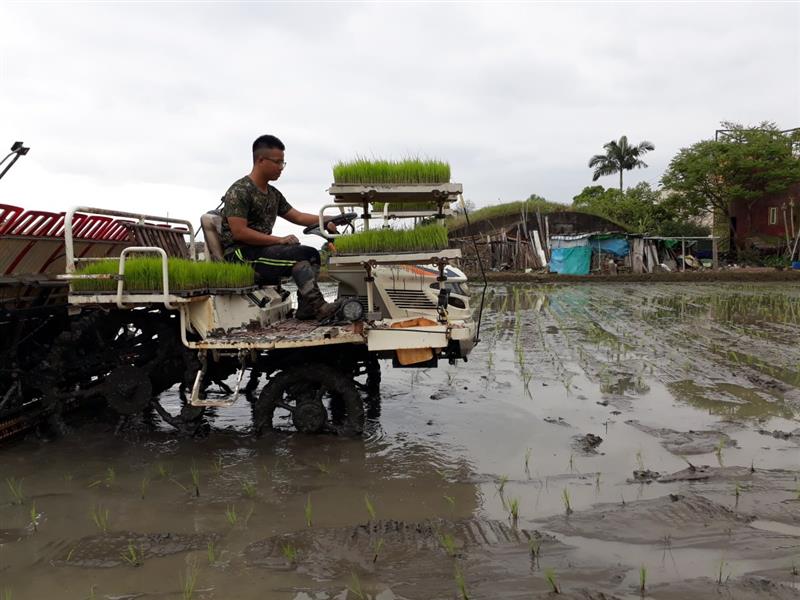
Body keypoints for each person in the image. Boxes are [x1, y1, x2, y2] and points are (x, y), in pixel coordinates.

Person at [220, 134, 339, 320]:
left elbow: (298, 216)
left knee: (310, 254)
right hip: (241, 255)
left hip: (262, 252)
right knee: (302, 254)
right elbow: (239, 232)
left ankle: (308, 307)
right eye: (278, 162)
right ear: (261, 160)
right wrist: (280, 240)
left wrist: (329, 219)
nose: (281, 168)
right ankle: (318, 307)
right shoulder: (239, 191)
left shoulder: (273, 194)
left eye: (283, 163)